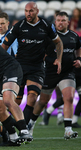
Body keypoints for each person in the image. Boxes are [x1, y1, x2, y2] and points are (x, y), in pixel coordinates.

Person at [1, 1, 63, 125]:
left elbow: (59, 42)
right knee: (16, 102)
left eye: (31, 11)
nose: (28, 14)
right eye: (26, 11)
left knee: (32, 98)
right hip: (20, 67)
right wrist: (2, 64)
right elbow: (4, 45)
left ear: (37, 11)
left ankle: (24, 129)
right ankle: (10, 128)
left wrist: (59, 59)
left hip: (37, 67)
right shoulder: (19, 25)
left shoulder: (46, 25)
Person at [28, 11, 81, 139]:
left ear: (68, 22)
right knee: (42, 101)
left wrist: (79, 59)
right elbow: (42, 54)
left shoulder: (74, 36)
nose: (61, 23)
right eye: (58, 20)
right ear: (55, 22)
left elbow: (78, 48)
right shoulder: (48, 37)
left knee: (68, 97)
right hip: (50, 72)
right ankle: (31, 124)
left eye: (63, 20)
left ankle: (68, 129)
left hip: (67, 72)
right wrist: (54, 61)